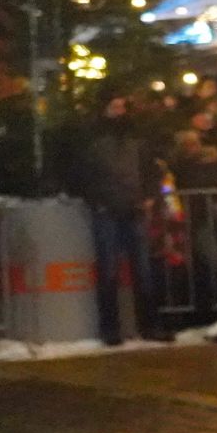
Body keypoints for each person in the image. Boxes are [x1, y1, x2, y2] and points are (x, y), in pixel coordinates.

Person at [73, 94, 162, 346]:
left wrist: (148, 196)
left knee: (139, 270)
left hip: (130, 208)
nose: (120, 111)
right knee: (111, 270)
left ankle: (144, 325)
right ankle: (116, 328)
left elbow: (151, 171)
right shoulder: (97, 141)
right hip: (110, 209)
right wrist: (98, 201)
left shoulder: (135, 140)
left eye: (123, 106)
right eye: (115, 106)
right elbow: (84, 175)